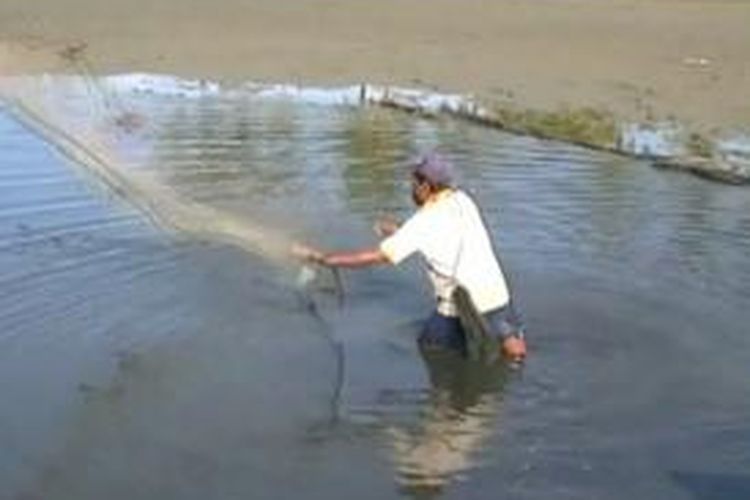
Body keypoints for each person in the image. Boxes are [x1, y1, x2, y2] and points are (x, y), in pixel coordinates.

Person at [293, 152, 527, 362]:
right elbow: (440, 234)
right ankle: (515, 353)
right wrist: (400, 231)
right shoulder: (463, 200)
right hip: (497, 294)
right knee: (509, 343)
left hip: (460, 304)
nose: (411, 188)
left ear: (426, 186)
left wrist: (323, 258)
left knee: (429, 348)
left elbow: (378, 256)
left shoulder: (423, 222)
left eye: (414, 183)